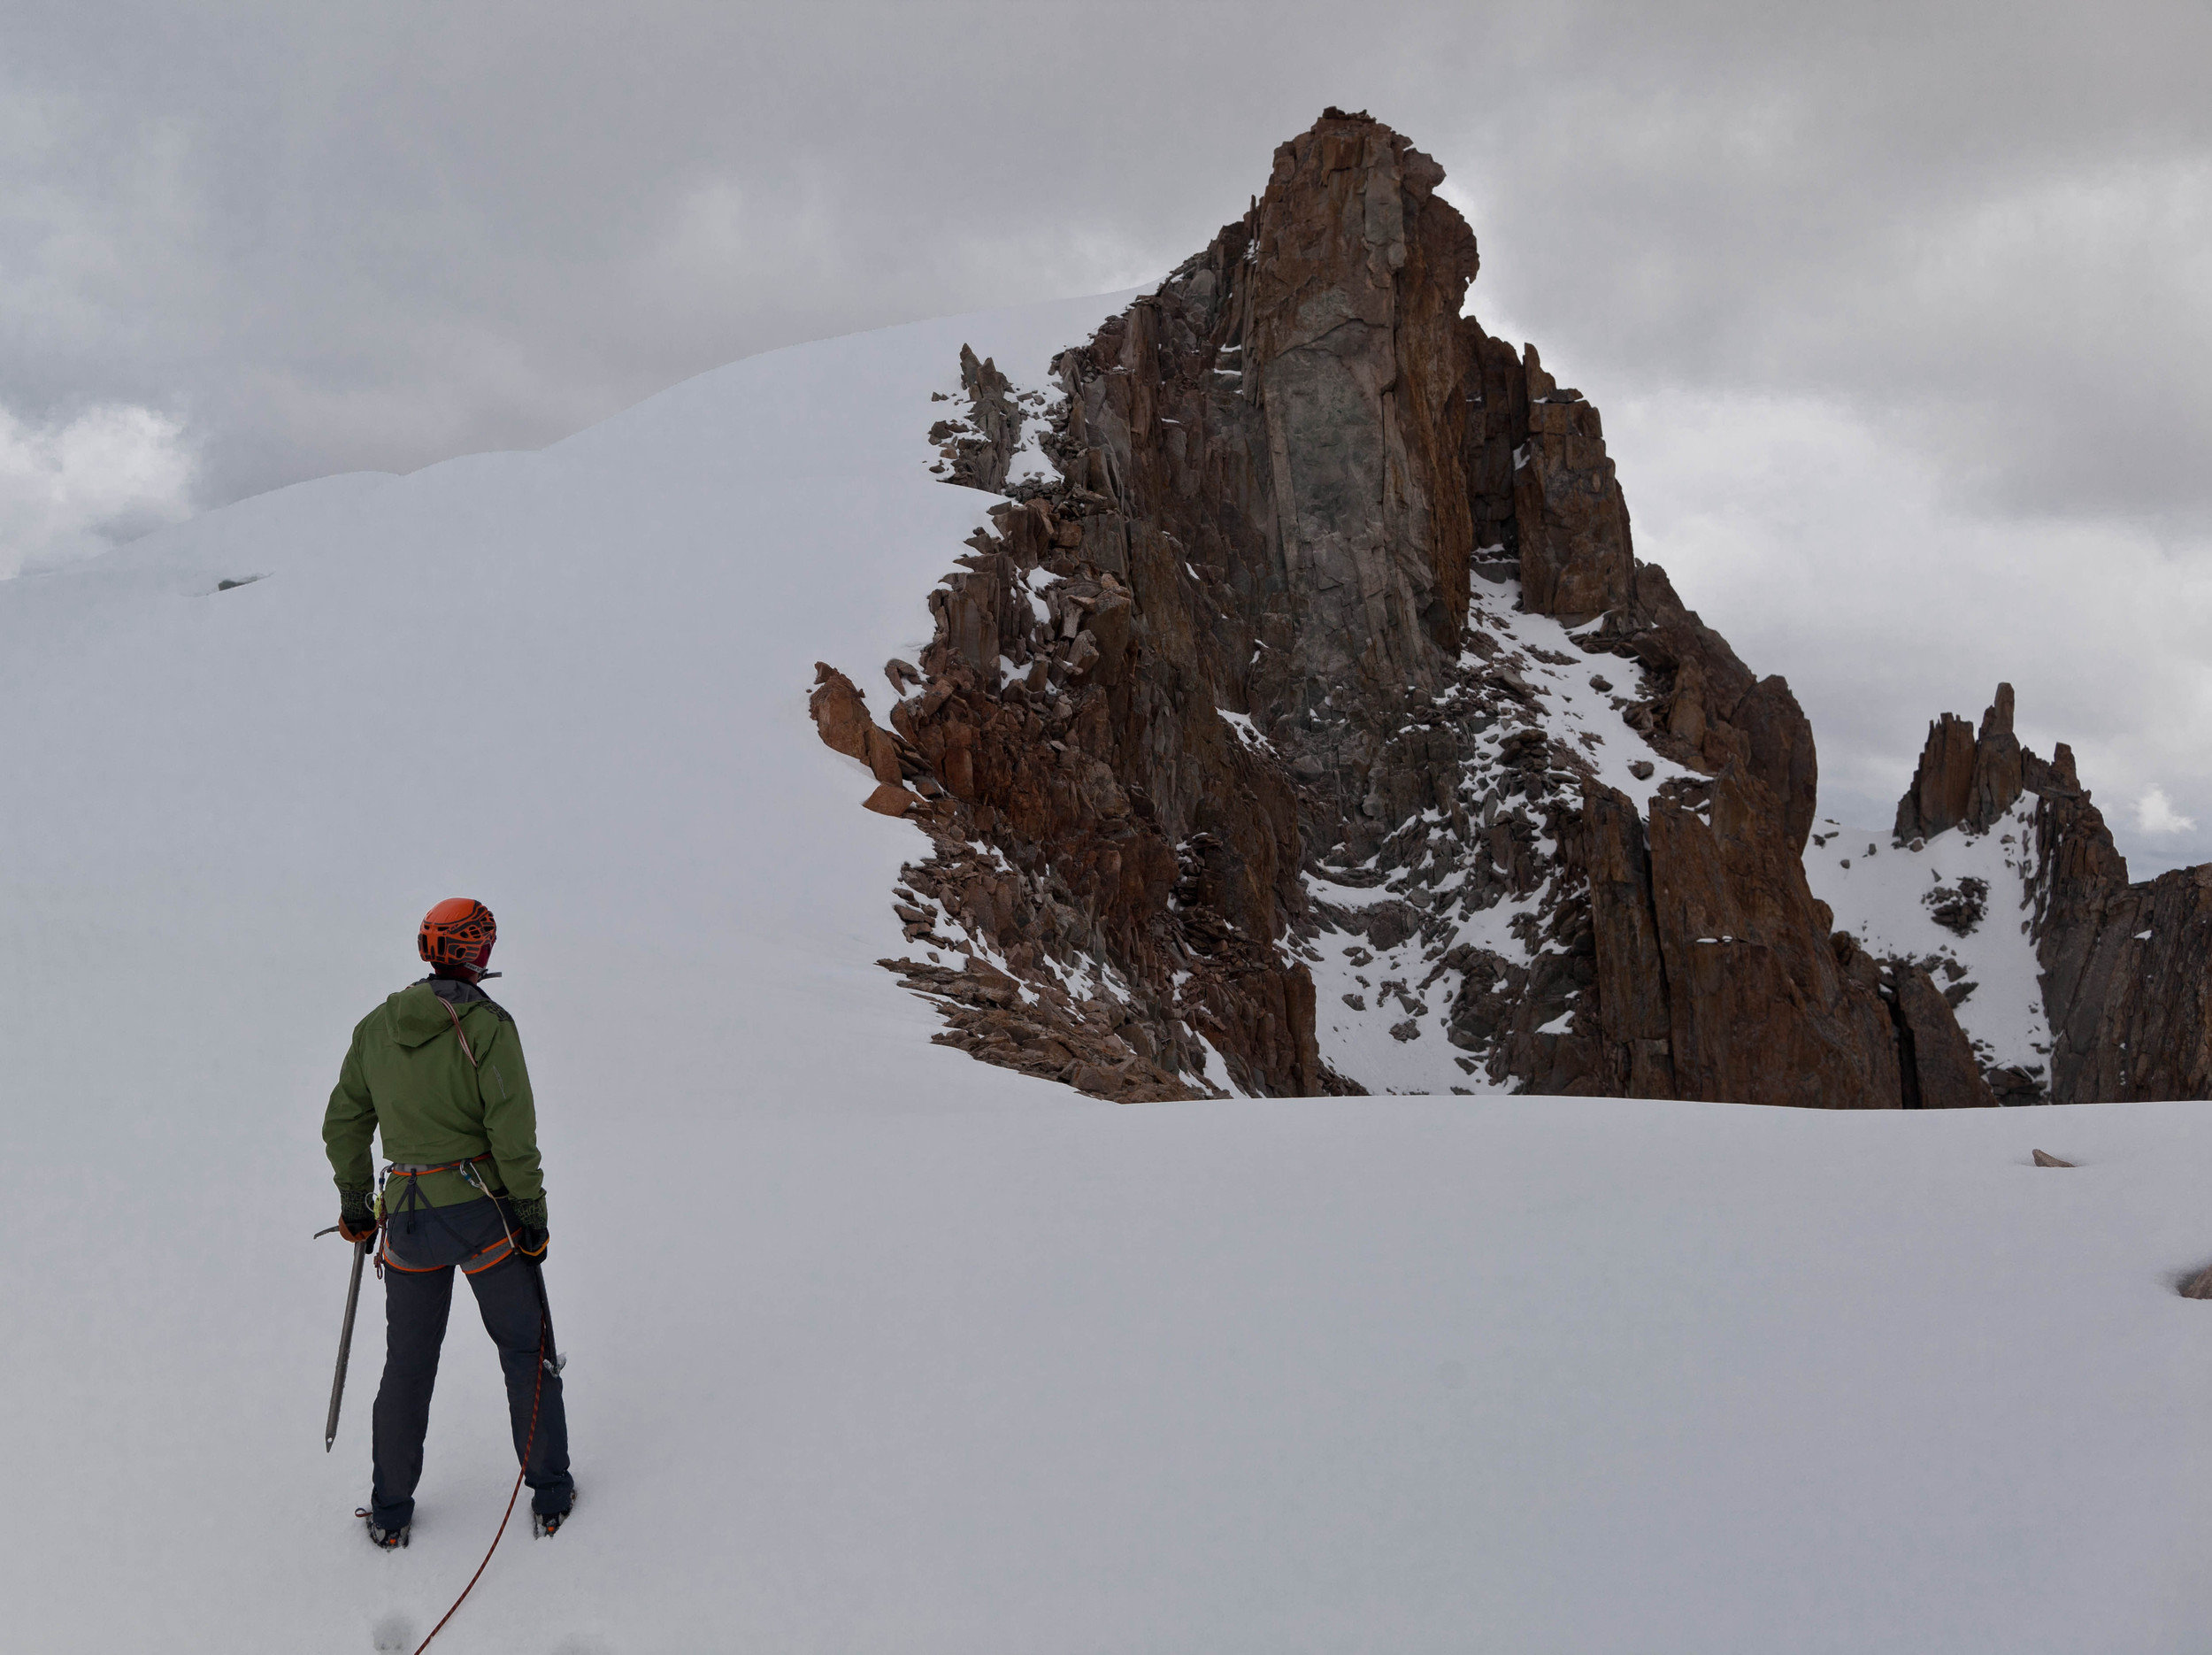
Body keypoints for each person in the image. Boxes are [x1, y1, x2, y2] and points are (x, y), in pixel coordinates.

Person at [324, 898, 573, 1549]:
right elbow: (512, 1133)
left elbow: (344, 1124)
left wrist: (356, 1205)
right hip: (481, 1212)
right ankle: (549, 1491)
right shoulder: (488, 1025)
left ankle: (390, 1510)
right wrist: (531, 1215)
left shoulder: (377, 1026)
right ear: (478, 953)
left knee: (407, 1364)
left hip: (405, 1215)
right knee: (524, 1348)